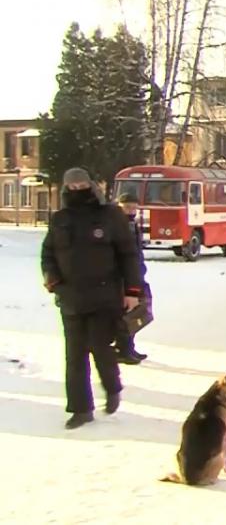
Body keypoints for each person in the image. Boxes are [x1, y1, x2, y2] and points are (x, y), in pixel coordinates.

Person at [41, 168, 144, 429]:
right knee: (74, 355)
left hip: (104, 296)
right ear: (66, 190)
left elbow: (128, 255)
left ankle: (112, 386)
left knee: (100, 347)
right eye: (72, 187)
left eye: (82, 185)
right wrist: (53, 281)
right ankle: (81, 409)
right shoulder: (60, 219)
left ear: (91, 186)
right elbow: (48, 254)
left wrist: (132, 291)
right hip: (71, 298)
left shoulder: (110, 215)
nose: (78, 191)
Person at [113, 194, 151, 365]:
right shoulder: (116, 225)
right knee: (127, 313)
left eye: (134, 208)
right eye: (127, 207)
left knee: (137, 311)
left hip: (135, 274)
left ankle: (129, 346)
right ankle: (123, 349)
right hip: (122, 277)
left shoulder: (132, 225)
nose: (131, 211)